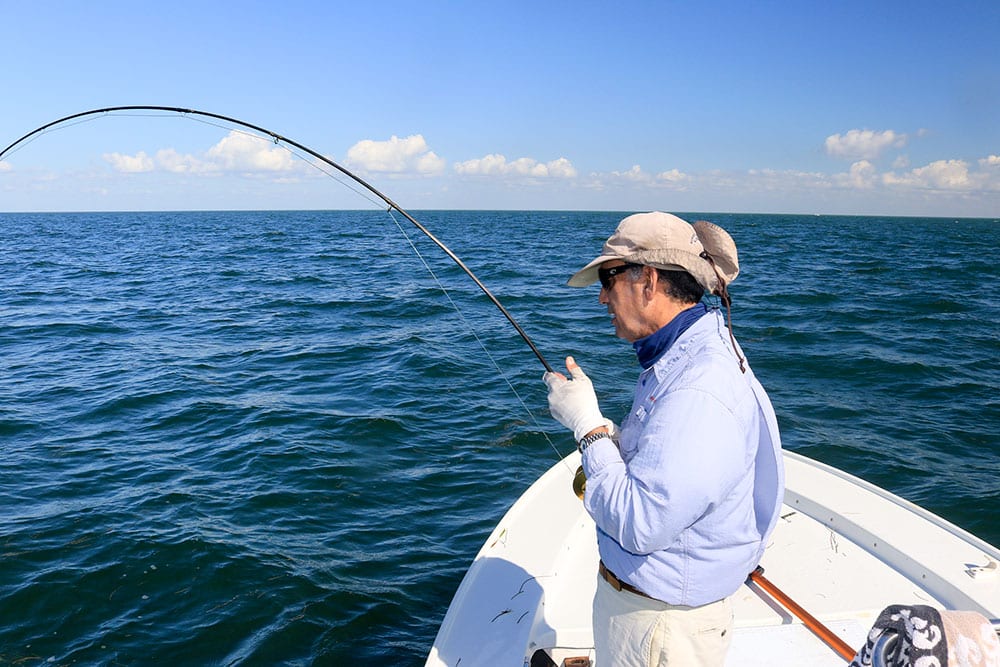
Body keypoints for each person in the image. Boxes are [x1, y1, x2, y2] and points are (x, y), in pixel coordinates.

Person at [543, 211, 784, 666]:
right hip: (652, 616)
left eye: (608, 279)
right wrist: (614, 439)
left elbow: (641, 524)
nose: (600, 298)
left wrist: (587, 426)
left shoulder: (699, 386)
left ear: (648, 281)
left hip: (661, 629)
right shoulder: (684, 354)